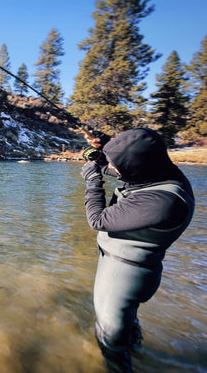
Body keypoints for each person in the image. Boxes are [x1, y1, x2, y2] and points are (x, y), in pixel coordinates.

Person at [80, 128, 195, 372]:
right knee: (126, 329)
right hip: (131, 271)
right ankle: (139, 355)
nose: (116, 170)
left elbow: (97, 220)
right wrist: (105, 153)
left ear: (140, 164)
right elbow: (130, 173)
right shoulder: (164, 175)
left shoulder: (162, 202)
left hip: (121, 278)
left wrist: (92, 181)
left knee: (110, 342)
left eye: (120, 165)